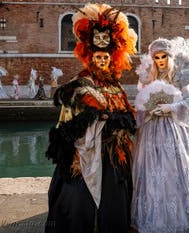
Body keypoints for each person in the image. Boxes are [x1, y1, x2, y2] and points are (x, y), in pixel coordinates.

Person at [45, 3, 137, 233]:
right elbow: (70, 123)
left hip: (115, 155)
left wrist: (121, 120)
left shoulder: (115, 85)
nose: (102, 60)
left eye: (106, 56)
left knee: (116, 199)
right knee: (81, 203)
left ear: (112, 57)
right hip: (87, 154)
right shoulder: (80, 84)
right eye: (98, 56)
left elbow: (127, 115)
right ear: (89, 57)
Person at [131, 37, 189, 233]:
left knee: (174, 170)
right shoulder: (145, 78)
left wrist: (170, 107)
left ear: (170, 56)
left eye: (164, 56)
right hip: (151, 131)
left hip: (175, 129)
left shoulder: (182, 75)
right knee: (151, 172)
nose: (160, 61)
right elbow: (140, 104)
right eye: (156, 57)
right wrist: (149, 111)